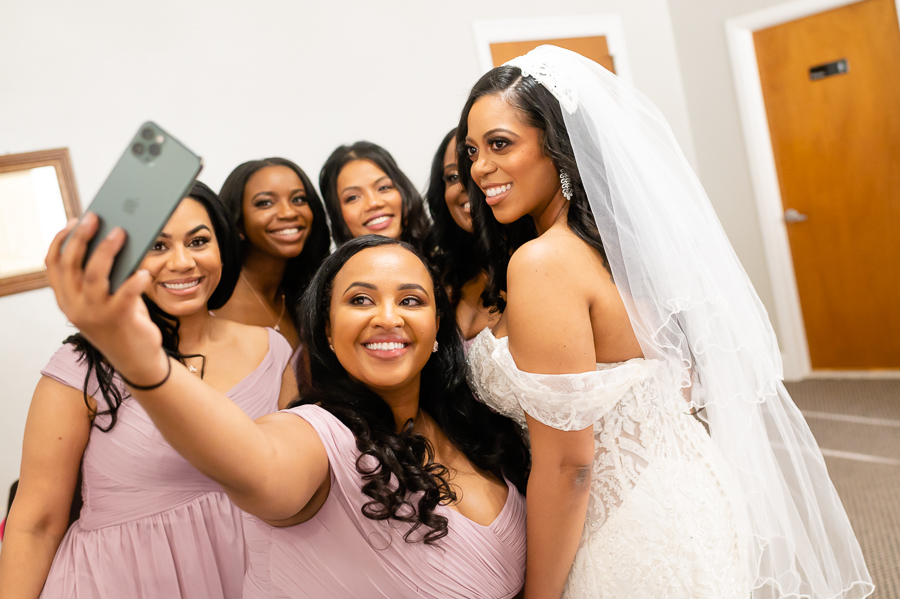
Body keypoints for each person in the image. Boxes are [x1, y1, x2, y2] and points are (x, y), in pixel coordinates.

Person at [460, 46, 872, 598]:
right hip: (694, 494)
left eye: (500, 144)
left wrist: (538, 595)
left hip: (625, 528)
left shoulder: (543, 264)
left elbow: (569, 467)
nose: (479, 168)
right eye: (471, 150)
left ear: (557, 147)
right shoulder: (628, 254)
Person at [42, 225, 530, 598]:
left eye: (410, 300)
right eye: (360, 300)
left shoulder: (477, 423)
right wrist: (143, 362)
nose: (388, 316)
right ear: (328, 330)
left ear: (438, 326)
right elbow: (255, 462)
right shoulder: (318, 436)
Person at [0, 182, 295, 599]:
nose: (182, 262)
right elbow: (36, 524)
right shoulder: (81, 368)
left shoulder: (273, 349)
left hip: (248, 580)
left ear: (223, 247)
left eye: (198, 241)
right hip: (112, 583)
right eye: (156, 246)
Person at [216, 158, 331, 351]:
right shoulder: (213, 299)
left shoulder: (305, 295)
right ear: (237, 222)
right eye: (265, 203)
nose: (288, 213)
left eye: (298, 199)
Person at [424, 129, 497, 342]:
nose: (465, 185)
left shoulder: (545, 266)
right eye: (453, 176)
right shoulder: (442, 277)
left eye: (472, 168)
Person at [320, 141, 430, 250]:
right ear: (337, 215)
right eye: (353, 197)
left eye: (383, 188)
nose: (373, 203)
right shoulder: (340, 268)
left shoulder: (443, 260)